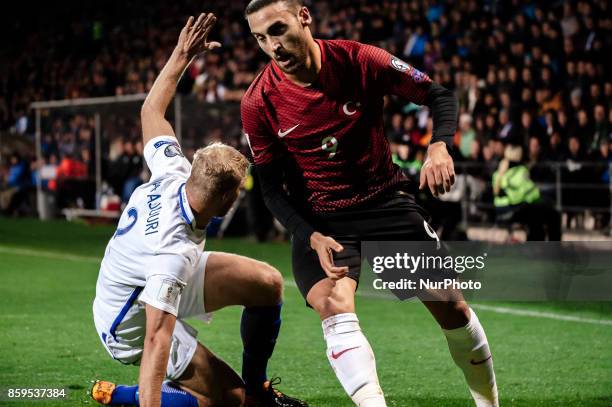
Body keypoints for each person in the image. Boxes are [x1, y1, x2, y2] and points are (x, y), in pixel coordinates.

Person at [241, 1, 498, 406]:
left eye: (278, 29)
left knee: (451, 307)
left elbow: (438, 94)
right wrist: (310, 236)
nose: (273, 46)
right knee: (333, 304)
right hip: (321, 221)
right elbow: (270, 189)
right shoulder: (259, 102)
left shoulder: (359, 59)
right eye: (260, 38)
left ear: (303, 17)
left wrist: (440, 146)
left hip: (384, 203)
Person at [91, 14, 307, 407]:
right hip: (128, 324)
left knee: (267, 283)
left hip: (142, 280)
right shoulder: (172, 255)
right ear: (227, 202)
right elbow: (157, 338)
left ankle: (258, 390)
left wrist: (181, 54)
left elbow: (150, 113)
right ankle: (124, 397)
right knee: (227, 402)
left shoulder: (173, 170)